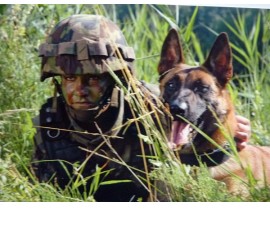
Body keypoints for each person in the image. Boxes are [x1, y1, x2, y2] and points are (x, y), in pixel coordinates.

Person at [32, 14, 251, 202]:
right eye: (70, 77)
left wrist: (230, 127)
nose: (80, 89)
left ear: (115, 77)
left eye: (93, 78)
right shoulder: (51, 124)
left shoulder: (146, 104)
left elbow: (195, 110)